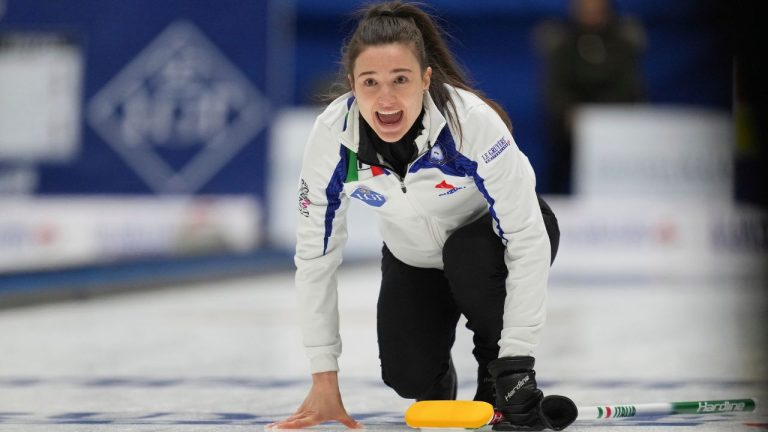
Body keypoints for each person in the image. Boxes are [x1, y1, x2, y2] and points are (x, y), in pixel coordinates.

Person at [268, 2, 577, 430]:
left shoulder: (470, 124)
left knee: (466, 254)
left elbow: (525, 238)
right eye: (370, 83)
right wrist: (324, 378)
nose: (387, 98)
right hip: (414, 256)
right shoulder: (332, 139)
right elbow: (315, 258)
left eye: (401, 79)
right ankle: (438, 374)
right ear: (352, 87)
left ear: (426, 79)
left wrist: (516, 363)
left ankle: (495, 376)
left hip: (493, 247)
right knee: (406, 374)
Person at [535, 0, 646, 194]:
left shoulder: (623, 40)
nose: (590, 10)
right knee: (558, 148)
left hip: (615, 124)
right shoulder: (562, 41)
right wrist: (571, 114)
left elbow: (630, 87)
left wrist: (601, 118)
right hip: (570, 127)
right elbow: (555, 87)